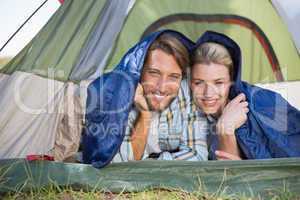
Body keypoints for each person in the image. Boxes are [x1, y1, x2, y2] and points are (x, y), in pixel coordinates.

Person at [82, 30, 208, 168]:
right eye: (154, 73)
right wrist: (145, 114)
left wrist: (151, 163)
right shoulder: (120, 96)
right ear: (140, 72)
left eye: (173, 77)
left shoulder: (186, 92)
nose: (162, 87)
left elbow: (197, 155)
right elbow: (118, 166)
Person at [190, 31, 300, 160]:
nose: (208, 93)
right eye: (199, 83)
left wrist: (225, 130)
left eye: (219, 83)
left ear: (232, 80)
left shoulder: (262, 104)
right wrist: (226, 130)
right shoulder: (183, 111)